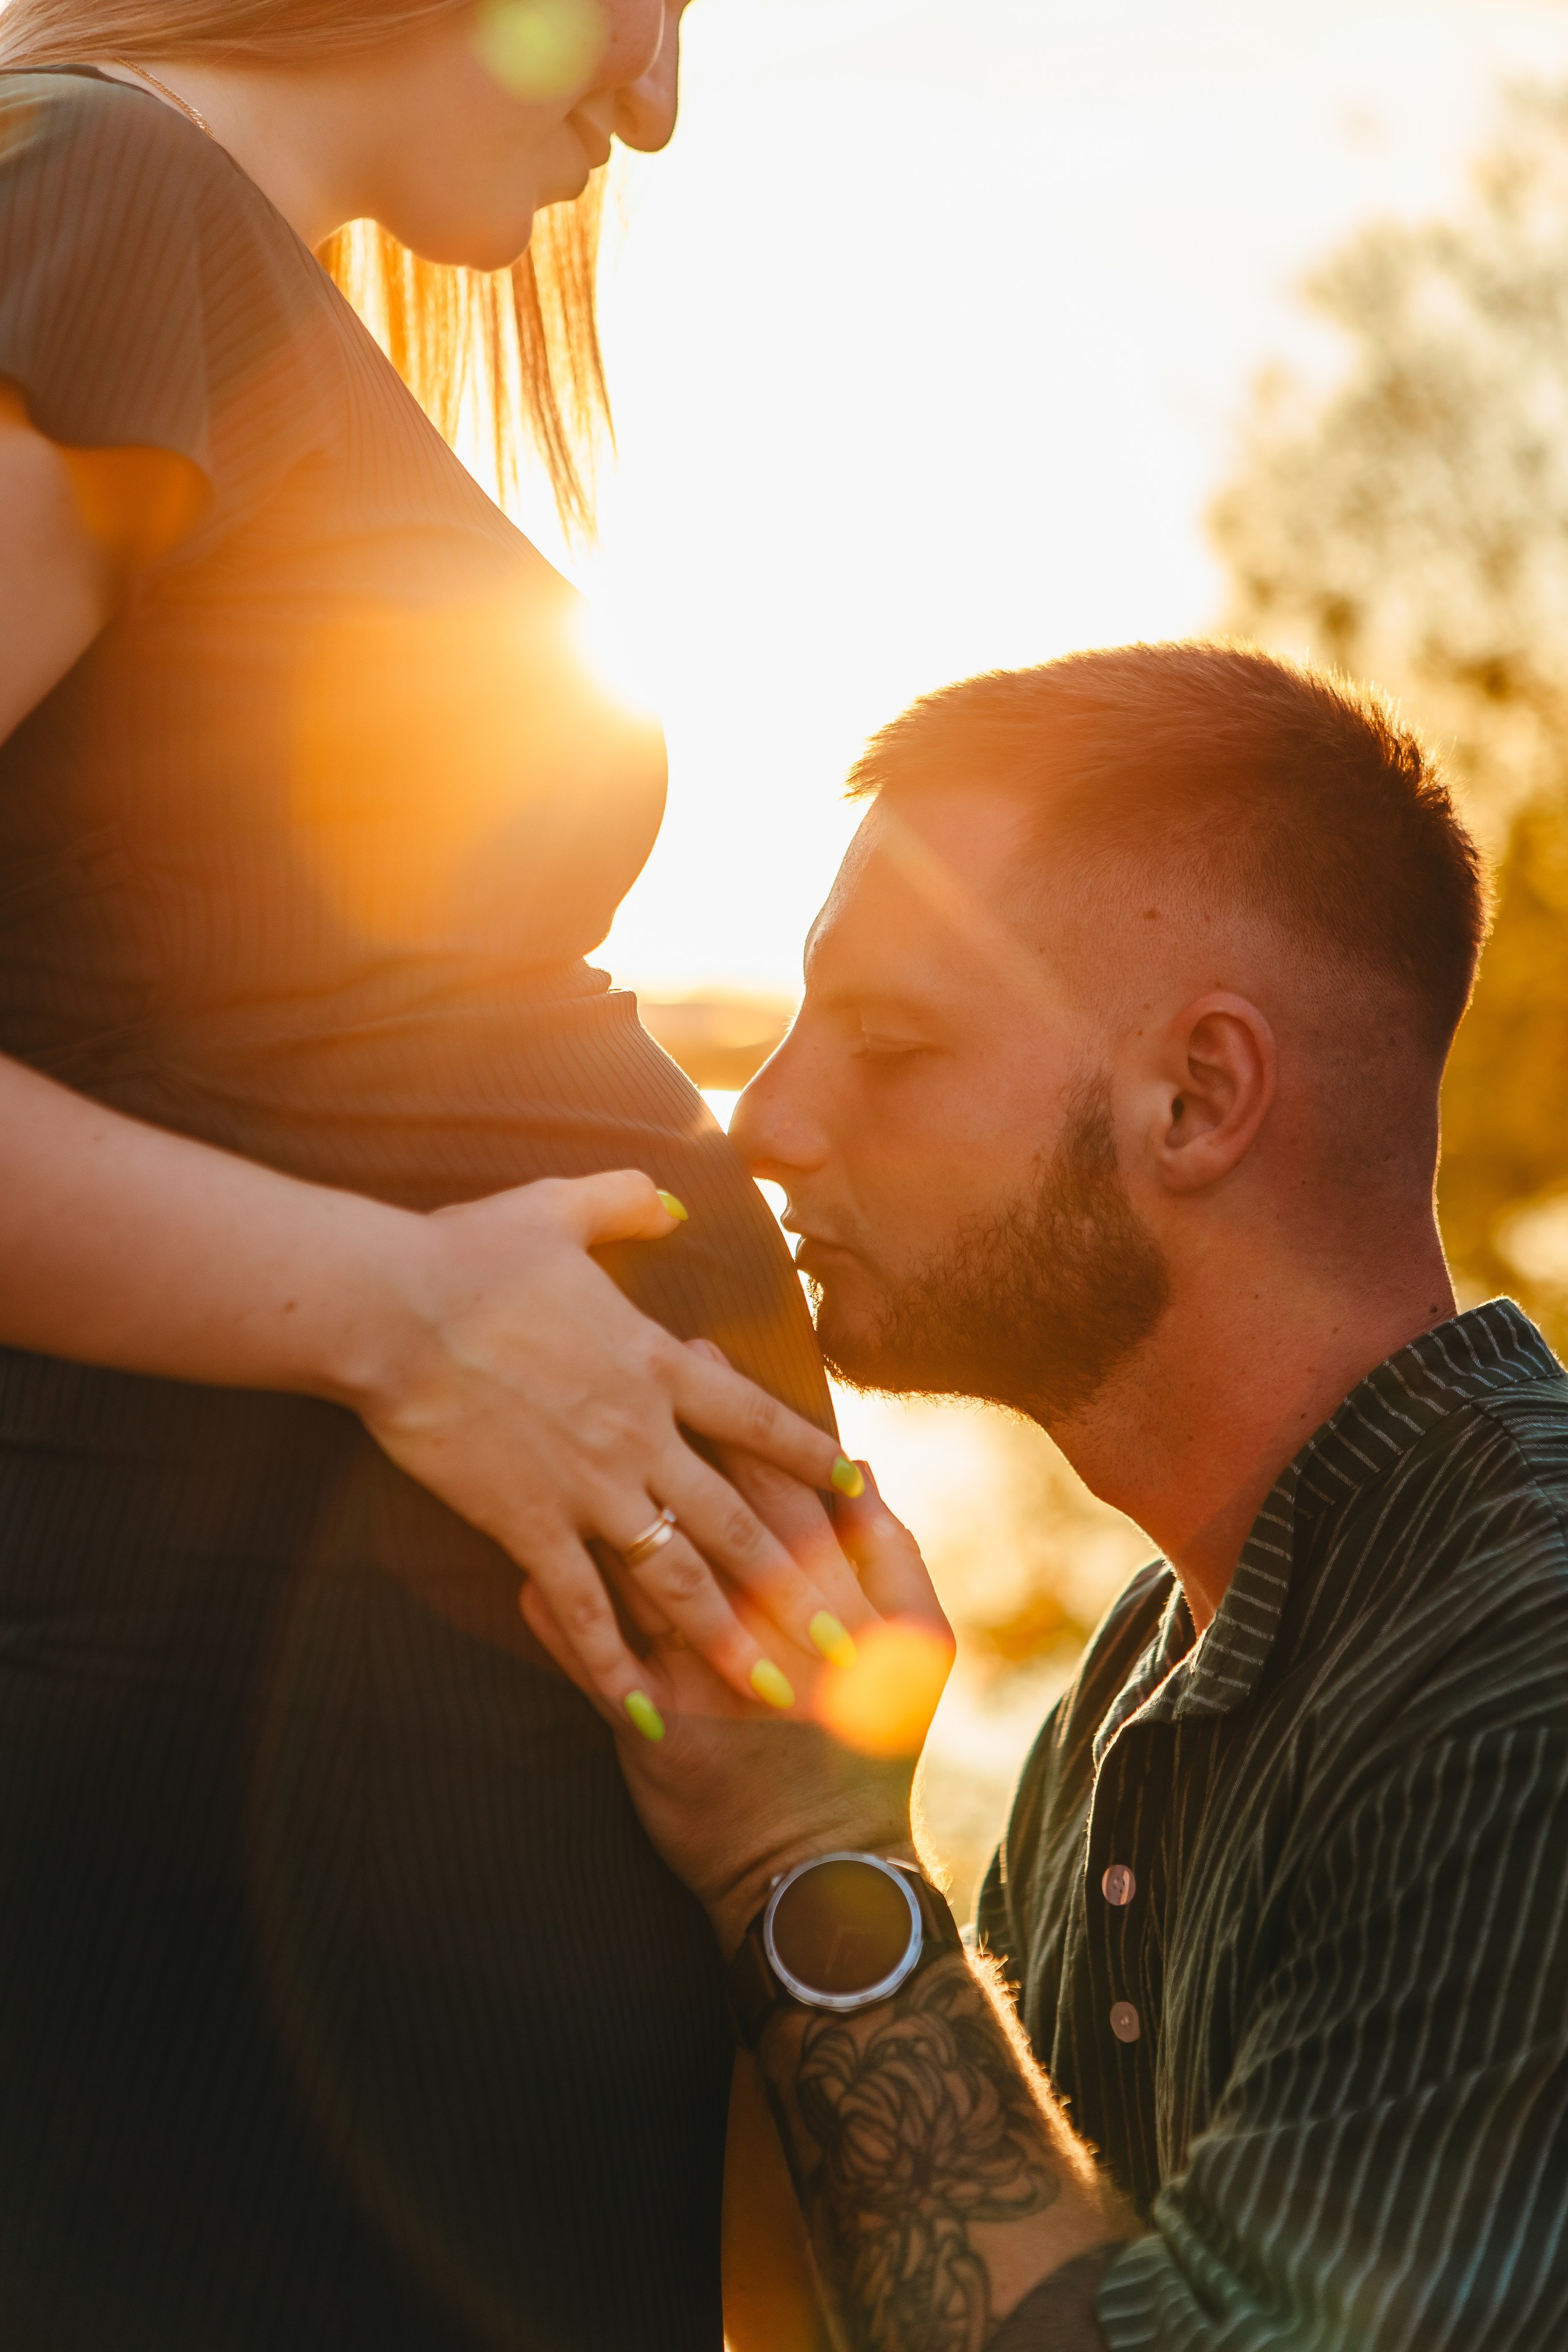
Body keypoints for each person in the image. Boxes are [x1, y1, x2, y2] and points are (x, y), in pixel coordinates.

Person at [0, 6, 869, 2346]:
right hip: (225, 1816)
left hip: (373, 1842)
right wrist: (398, 1311)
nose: (660, 101)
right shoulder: (98, 201)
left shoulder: (197, 265)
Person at [535, 643, 1568, 2351]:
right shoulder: (1146, 1675)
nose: (770, 1121)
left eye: (891, 1040)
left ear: (1198, 1098)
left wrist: (810, 1859)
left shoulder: (1519, 1679)